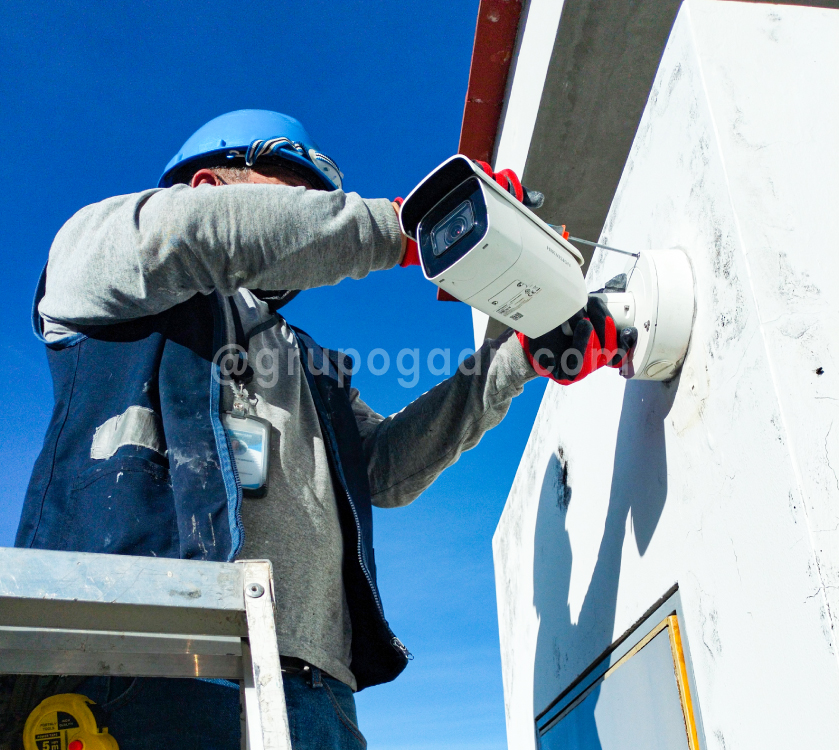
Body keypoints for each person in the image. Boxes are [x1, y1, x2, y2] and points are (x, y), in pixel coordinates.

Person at [7, 110, 634, 750]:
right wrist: (409, 227)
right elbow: (191, 238)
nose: (316, 218)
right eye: (301, 198)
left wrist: (515, 361)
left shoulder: (305, 364)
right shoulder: (103, 258)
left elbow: (385, 470)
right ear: (206, 187)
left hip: (317, 692)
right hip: (146, 661)